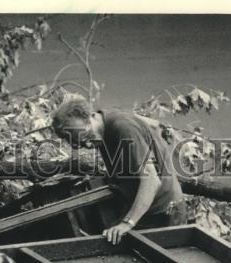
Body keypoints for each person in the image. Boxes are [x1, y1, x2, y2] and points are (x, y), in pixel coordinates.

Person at [51, 96, 182, 244]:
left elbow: (151, 180)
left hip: (162, 212)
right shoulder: (104, 121)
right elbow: (154, 124)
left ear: (91, 116)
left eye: (87, 136)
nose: (88, 145)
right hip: (144, 208)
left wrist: (127, 223)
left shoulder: (122, 127)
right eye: (79, 143)